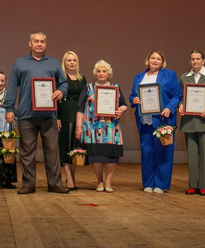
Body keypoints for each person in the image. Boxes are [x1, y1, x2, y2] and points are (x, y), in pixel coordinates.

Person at [3, 31, 69, 194]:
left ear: (45, 45)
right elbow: (12, 87)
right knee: (26, 152)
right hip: (26, 115)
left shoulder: (53, 63)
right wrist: (9, 109)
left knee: (53, 151)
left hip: (49, 115)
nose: (39, 44)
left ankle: (55, 184)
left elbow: (64, 84)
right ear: (30, 44)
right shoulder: (20, 63)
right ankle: (28, 184)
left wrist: (62, 92)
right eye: (36, 41)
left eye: (42, 42)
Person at [129, 49, 182, 193]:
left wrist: (170, 108)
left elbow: (177, 95)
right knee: (147, 152)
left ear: (162, 62)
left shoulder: (169, 75)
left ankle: (161, 184)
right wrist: (134, 100)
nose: (155, 61)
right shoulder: (139, 77)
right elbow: (132, 96)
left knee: (163, 151)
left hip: (163, 119)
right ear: (148, 60)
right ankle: (147, 183)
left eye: (158, 59)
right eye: (153, 58)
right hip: (144, 120)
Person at [76, 60, 127, 192]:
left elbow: (123, 104)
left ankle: (108, 181)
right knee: (97, 156)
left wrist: (121, 110)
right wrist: (79, 127)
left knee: (111, 156)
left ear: (108, 73)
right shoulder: (88, 88)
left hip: (111, 128)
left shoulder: (115, 87)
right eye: (98, 71)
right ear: (95, 73)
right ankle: (99, 181)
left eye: (104, 71)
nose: (101, 73)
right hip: (93, 129)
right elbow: (80, 108)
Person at [178, 50, 205, 196]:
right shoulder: (184, 77)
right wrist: (181, 105)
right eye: (192, 59)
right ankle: (192, 185)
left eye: (198, 59)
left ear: (203, 61)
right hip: (189, 122)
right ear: (189, 61)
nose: (195, 62)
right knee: (191, 155)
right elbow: (181, 97)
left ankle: (203, 185)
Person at [58, 51, 86, 190]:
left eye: (74, 60)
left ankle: (72, 178)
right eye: (69, 60)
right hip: (64, 114)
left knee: (75, 148)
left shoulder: (83, 79)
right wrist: (56, 117)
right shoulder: (60, 79)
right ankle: (69, 178)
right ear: (64, 62)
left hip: (79, 115)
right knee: (65, 147)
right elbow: (55, 99)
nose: (71, 63)